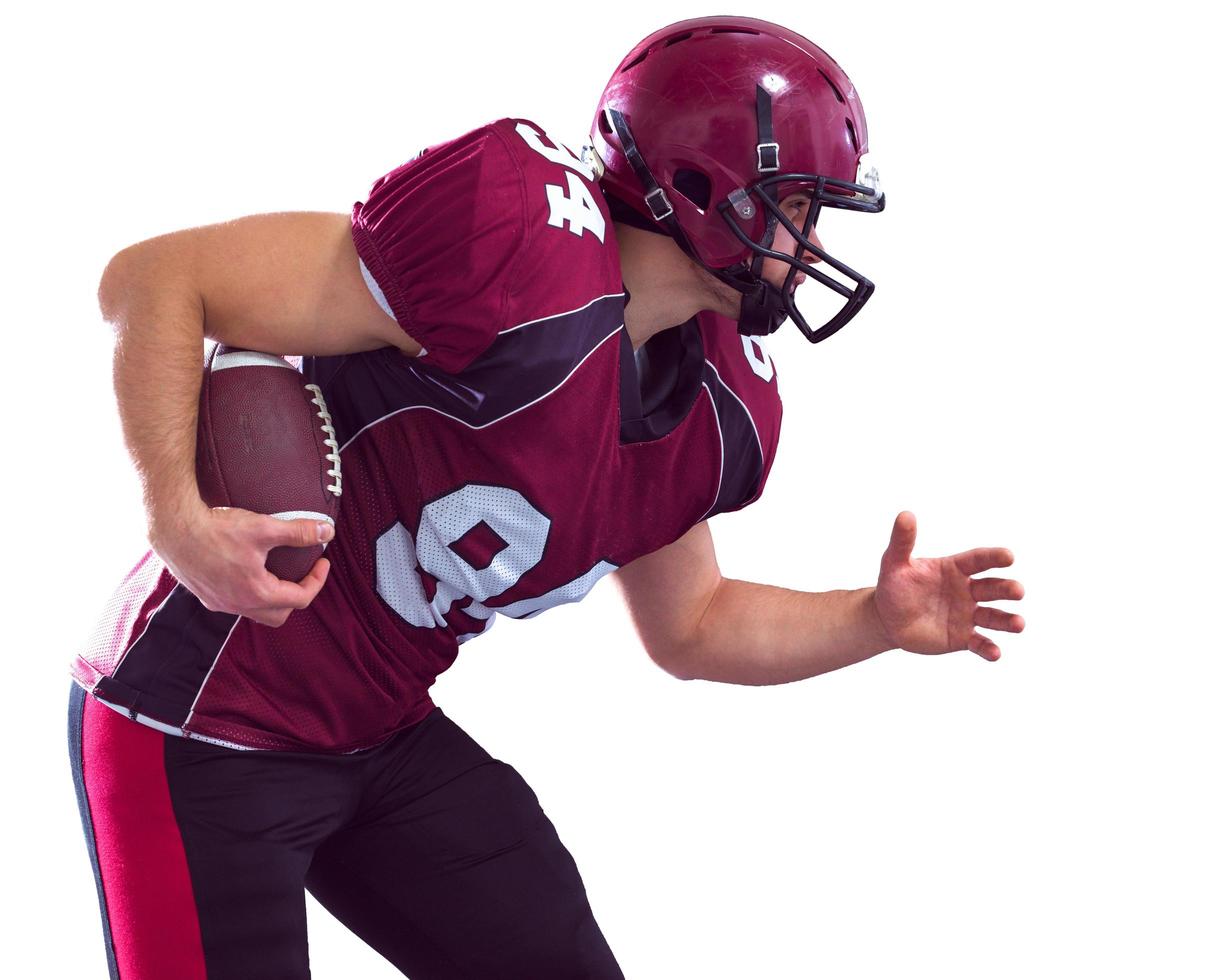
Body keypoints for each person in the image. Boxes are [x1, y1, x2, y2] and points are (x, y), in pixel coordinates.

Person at [68, 15, 1025, 980]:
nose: (813, 241)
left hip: (379, 731)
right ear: (707, 193)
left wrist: (872, 618)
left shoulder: (720, 401)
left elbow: (693, 624)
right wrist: (175, 520)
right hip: (196, 719)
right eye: (800, 208)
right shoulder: (514, 245)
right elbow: (154, 278)